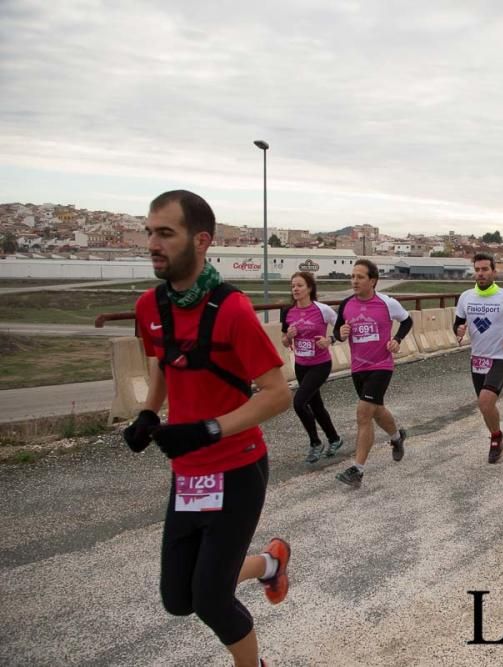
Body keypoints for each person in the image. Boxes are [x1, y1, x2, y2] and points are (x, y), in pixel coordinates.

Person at [123, 190, 292, 667]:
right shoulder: (149, 306)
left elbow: (277, 393)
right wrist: (149, 414)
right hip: (189, 474)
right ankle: (270, 564)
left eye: (166, 233)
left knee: (212, 601)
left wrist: (209, 429)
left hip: (237, 469)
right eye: (150, 232)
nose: (153, 243)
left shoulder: (232, 310)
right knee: (179, 598)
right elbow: (165, 363)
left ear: (201, 241)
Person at [333, 259, 413, 488]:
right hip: (358, 368)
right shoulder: (346, 304)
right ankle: (397, 437)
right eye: (353, 277)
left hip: (381, 365)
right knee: (376, 411)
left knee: (363, 413)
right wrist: (341, 332)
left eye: (360, 277)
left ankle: (357, 470)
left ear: (373, 281)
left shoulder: (387, 303)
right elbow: (338, 333)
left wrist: (397, 340)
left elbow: (407, 321)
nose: (354, 281)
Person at [453, 253, 503, 463]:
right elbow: (457, 324)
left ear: (494, 272)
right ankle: (498, 437)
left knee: (486, 401)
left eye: (485, 269)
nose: (480, 273)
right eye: (477, 269)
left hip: (501, 356)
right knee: (484, 405)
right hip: (477, 357)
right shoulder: (466, 297)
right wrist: (458, 331)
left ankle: (495, 441)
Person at [281, 271, 342, 464]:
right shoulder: (288, 312)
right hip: (301, 365)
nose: (295, 289)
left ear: (309, 288)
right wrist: (289, 336)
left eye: (299, 285)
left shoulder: (322, 310)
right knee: (316, 405)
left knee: (299, 403)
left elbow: (343, 328)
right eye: (292, 286)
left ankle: (315, 443)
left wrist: (329, 339)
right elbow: (284, 341)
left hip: (321, 364)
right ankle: (334, 439)